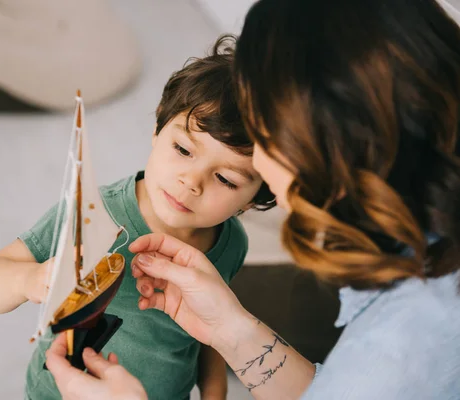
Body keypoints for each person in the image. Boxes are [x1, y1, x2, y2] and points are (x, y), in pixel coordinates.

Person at [44, 0, 460, 398]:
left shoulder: (402, 347)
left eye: (264, 134)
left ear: (322, 151)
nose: (258, 156)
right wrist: (230, 327)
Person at [0, 35, 274, 400]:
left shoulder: (232, 242)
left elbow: (212, 325)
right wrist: (30, 279)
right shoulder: (94, 215)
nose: (191, 182)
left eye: (225, 179)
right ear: (157, 129)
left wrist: (213, 392)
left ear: (251, 201)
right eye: (182, 149)